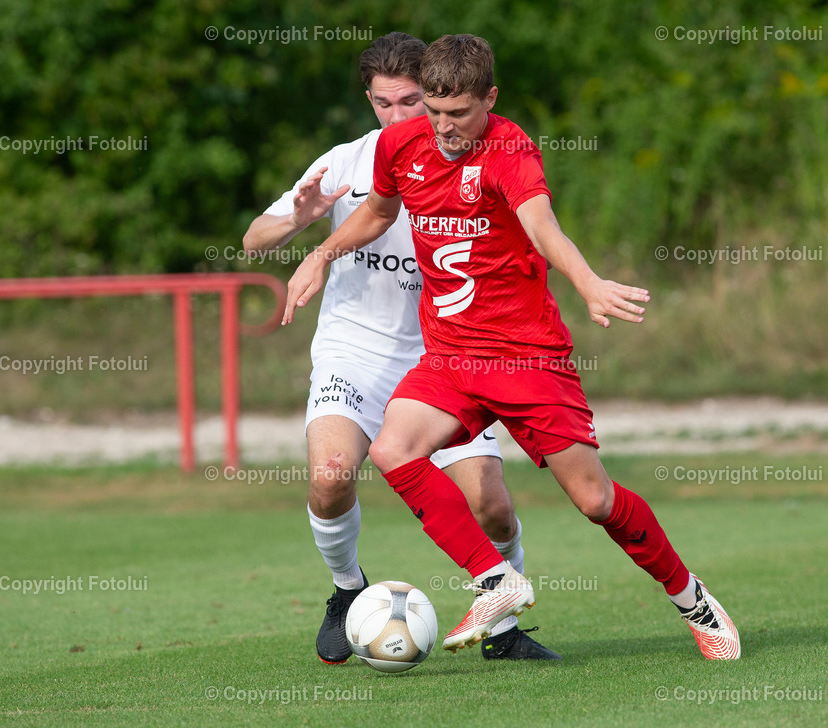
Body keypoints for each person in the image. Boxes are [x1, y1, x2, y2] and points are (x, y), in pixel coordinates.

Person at [282, 34, 741, 660]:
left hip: (526, 356)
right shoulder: (402, 144)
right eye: (435, 113)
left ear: (489, 99)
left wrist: (589, 283)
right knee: (394, 450)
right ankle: (495, 580)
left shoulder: (510, 151)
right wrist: (321, 249)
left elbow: (542, 226)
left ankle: (693, 599)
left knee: (595, 501)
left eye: (458, 114)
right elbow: (379, 212)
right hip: (450, 356)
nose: (443, 128)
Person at [244, 32, 559, 664]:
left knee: (492, 506)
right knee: (331, 478)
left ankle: (504, 629)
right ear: (369, 99)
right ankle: (345, 590)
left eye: (412, 100)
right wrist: (299, 218)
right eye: (383, 103)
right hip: (353, 352)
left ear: (440, 93)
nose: (399, 116)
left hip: (444, 356)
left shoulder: (476, 157)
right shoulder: (345, 162)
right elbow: (255, 241)